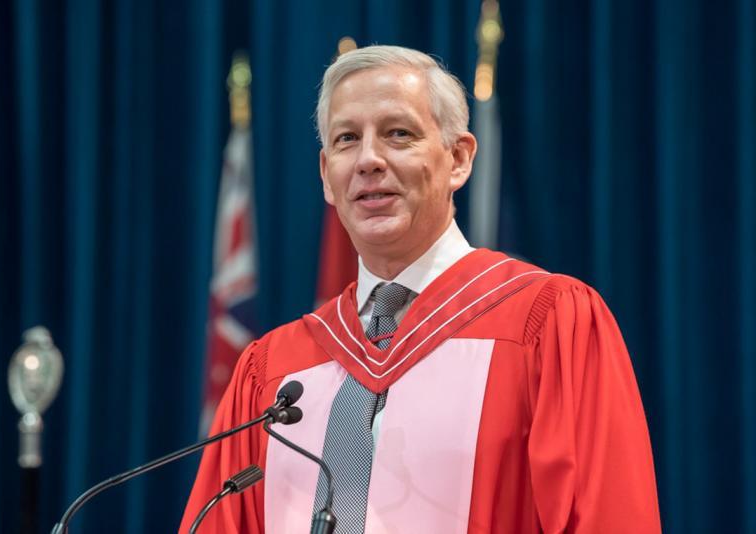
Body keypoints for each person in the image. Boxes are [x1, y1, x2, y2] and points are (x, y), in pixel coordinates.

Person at [181, 45, 661, 533]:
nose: (369, 159)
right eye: (347, 139)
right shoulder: (272, 371)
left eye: (398, 134)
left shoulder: (547, 324)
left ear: (458, 158)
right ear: (327, 176)